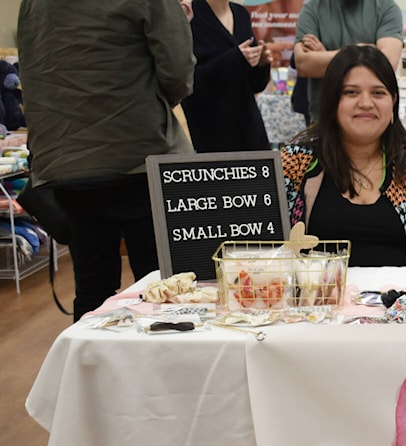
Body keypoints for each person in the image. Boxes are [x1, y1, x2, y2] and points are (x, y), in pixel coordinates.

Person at [18, 0, 194, 322]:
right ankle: (160, 369)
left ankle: (90, 368)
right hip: (139, 154)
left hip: (66, 160)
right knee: (161, 288)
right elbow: (179, 73)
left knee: (91, 288)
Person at [280, 46, 406, 267]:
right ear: (331, 101)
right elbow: (265, 251)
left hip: (404, 300)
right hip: (318, 298)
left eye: (378, 93)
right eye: (351, 92)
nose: (366, 103)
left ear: (393, 102)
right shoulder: (296, 162)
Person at [181, 0, 272, 152]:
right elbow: (189, 82)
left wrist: (261, 64)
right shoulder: (189, 14)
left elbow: (255, 85)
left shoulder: (241, 14)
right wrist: (236, 59)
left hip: (249, 131)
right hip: (209, 132)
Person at [294, 0, 404, 124]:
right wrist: (364, 50)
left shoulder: (386, 8)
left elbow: (387, 63)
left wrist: (324, 57)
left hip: (370, 117)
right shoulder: (313, 9)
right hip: (325, 119)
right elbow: (304, 65)